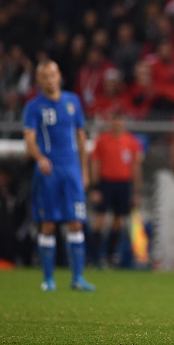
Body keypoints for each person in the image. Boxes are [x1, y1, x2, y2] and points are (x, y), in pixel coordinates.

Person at [22, 60, 95, 291]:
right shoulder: (33, 107)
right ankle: (48, 279)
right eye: (45, 76)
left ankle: (78, 278)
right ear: (39, 80)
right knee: (49, 223)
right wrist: (40, 158)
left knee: (76, 222)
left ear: (59, 75)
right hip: (49, 171)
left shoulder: (73, 101)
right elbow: (29, 140)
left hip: (72, 170)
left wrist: (84, 170)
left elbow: (81, 136)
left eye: (53, 74)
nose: (50, 79)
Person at [89, 110, 143, 268]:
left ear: (124, 122)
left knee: (118, 221)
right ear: (110, 122)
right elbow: (95, 164)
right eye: (115, 120)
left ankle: (111, 255)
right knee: (100, 220)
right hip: (105, 183)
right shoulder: (102, 140)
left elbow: (136, 167)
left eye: (120, 120)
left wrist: (136, 191)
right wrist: (95, 187)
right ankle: (94, 256)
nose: (118, 123)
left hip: (123, 184)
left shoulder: (131, 142)